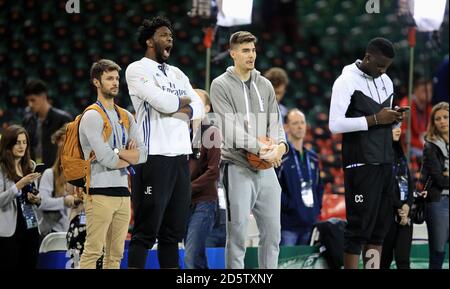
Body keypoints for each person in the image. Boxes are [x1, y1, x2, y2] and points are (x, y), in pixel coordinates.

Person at [126, 16, 204, 269]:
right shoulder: (136, 69)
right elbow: (164, 103)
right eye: (163, 35)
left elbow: (201, 106)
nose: (169, 38)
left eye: (170, 35)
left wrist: (179, 106)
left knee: (172, 234)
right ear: (150, 40)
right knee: (145, 233)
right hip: (153, 158)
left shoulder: (177, 73)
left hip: (181, 158)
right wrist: (180, 102)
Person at [210, 31, 288, 269]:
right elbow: (229, 129)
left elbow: (276, 124)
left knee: (273, 234)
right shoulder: (220, 85)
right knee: (238, 234)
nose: (251, 55)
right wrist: (263, 149)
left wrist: (280, 148)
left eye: (253, 50)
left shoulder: (264, 84)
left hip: (266, 169)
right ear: (233, 54)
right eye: (245, 50)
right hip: (237, 166)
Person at [329, 37, 403, 269]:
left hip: (384, 161)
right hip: (360, 164)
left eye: (387, 67)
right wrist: (374, 119)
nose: (383, 71)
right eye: (380, 66)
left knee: (379, 230)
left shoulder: (387, 81)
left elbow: (384, 120)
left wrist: (393, 118)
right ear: (368, 57)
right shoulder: (345, 81)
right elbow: (335, 124)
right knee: (358, 228)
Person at [78, 59, 147, 269]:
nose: (115, 82)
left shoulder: (125, 115)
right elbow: (106, 159)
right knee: (93, 251)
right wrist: (126, 155)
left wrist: (117, 152)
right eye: (109, 78)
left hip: (122, 194)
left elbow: (143, 155)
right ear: (96, 82)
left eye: (116, 78)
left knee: (115, 256)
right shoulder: (91, 115)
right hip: (98, 192)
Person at [184, 89, 221, 269]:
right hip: (184, 203)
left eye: (198, 101)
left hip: (204, 202)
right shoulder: (181, 131)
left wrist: (187, 188)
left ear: (207, 108)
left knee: (191, 256)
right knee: (194, 255)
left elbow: (214, 171)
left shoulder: (212, 132)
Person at [277, 109, 323, 245]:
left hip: (309, 223)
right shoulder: (281, 157)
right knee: (287, 264)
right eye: (295, 123)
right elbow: (275, 188)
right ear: (286, 127)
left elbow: (319, 187)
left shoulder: (313, 157)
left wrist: (316, 209)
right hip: (288, 225)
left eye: (302, 122)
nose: (300, 126)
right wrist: (290, 205)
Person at [0, 125, 42, 268]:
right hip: (10, 232)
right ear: (8, 144)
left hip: (31, 229)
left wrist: (36, 199)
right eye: (17, 142)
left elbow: (36, 194)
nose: (22, 146)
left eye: (24, 142)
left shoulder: (30, 166)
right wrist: (19, 185)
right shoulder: (1, 168)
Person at [380, 126, 414, 269]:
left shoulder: (401, 155)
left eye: (399, 126)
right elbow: (384, 186)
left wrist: (407, 205)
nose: (398, 129)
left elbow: (410, 184)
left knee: (403, 261)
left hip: (404, 216)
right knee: (384, 261)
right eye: (394, 127)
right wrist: (400, 206)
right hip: (386, 216)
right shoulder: (379, 155)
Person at [37, 125, 78, 238]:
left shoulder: (84, 176)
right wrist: (64, 201)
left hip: (77, 234)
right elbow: (42, 203)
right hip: (54, 234)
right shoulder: (50, 174)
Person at [421, 102, 449, 269]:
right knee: (437, 253)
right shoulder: (430, 146)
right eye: (438, 119)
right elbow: (438, 180)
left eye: (446, 117)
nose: (442, 121)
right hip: (439, 203)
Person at [22, 79, 72, 168]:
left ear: (43, 96)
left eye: (33, 100)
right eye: (28, 101)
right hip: (33, 170)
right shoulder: (28, 121)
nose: (30, 104)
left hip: (57, 171)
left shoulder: (63, 119)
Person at [399, 78, 433, 157]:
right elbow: (404, 136)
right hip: (411, 149)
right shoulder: (406, 105)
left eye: (430, 90)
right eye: (424, 91)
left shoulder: (429, 108)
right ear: (415, 90)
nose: (429, 93)